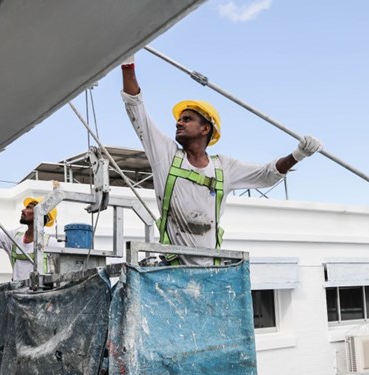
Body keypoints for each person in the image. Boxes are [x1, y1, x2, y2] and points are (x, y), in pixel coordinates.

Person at [121, 56, 323, 265]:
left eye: (187, 119)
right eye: (179, 119)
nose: (178, 123)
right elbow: (136, 108)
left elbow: (267, 175)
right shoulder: (166, 156)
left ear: (205, 128)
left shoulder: (224, 168)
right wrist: (127, 61)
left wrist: (298, 154)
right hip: (172, 270)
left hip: (212, 273)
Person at [0, 186, 62, 281]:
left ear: (41, 214)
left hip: (40, 296)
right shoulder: (13, 238)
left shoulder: (51, 244)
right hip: (17, 296)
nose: (23, 210)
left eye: (29, 208)